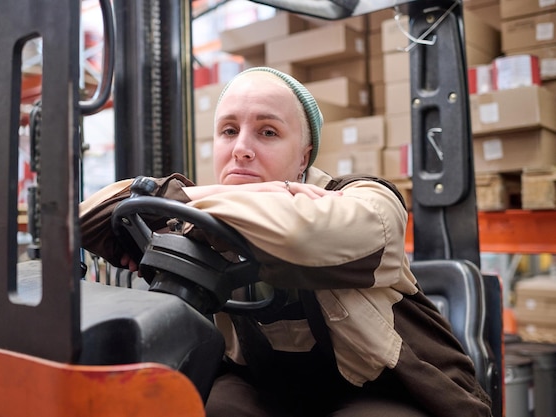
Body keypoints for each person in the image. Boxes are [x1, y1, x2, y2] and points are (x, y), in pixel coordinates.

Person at [79, 67, 492, 417]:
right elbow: (84, 220)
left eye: (268, 132)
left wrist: (187, 202)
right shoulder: (199, 214)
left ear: (303, 156)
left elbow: (302, 232)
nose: (241, 148)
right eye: (228, 130)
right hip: (266, 388)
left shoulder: (366, 200)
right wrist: (211, 197)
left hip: (382, 386)